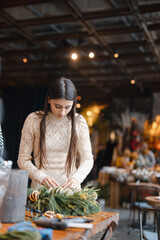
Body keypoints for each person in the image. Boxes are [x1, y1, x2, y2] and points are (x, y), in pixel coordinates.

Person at [17, 77, 93, 190]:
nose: (62, 112)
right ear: (48, 100)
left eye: (68, 107)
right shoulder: (33, 120)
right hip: (40, 192)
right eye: (57, 106)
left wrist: (76, 178)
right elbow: (22, 159)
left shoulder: (79, 122)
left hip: (70, 193)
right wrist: (40, 177)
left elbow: (87, 158)